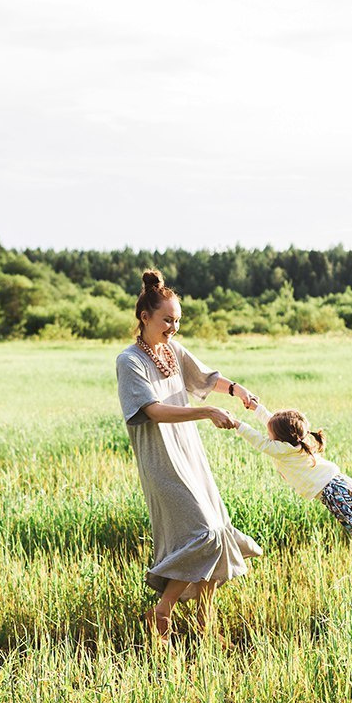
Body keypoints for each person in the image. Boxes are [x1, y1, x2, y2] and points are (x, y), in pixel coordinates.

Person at [114, 269, 263, 642]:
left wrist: (237, 390)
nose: (173, 327)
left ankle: (204, 619)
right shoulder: (129, 361)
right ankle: (162, 610)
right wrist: (207, 411)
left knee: (218, 530)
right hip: (162, 459)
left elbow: (206, 378)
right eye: (167, 320)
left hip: (189, 452)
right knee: (204, 533)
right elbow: (153, 410)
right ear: (145, 317)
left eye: (177, 320)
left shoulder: (173, 351)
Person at [226, 404, 352, 599]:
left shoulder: (282, 449)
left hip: (334, 494)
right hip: (345, 484)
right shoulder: (296, 441)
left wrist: (236, 424)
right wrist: (256, 407)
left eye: (271, 432)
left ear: (279, 437)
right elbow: (274, 424)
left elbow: (259, 441)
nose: (267, 434)